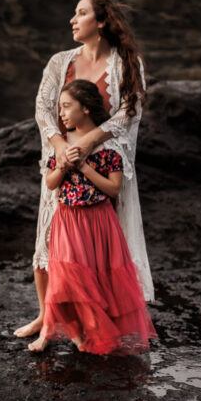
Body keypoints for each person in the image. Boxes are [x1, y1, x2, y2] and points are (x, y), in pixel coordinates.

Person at [15, 0, 154, 341]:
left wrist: (90, 142)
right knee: (47, 236)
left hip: (102, 161)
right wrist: (61, 145)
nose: (73, 20)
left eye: (81, 14)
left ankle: (96, 315)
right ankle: (45, 317)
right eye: (74, 14)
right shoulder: (60, 61)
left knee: (102, 243)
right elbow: (43, 108)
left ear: (102, 21)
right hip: (63, 159)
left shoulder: (127, 62)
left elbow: (130, 110)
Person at [27, 79, 156, 354]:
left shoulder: (108, 145)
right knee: (65, 276)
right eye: (60, 107)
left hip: (98, 221)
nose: (60, 113)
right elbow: (50, 183)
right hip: (67, 219)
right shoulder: (61, 143)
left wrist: (85, 167)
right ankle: (56, 330)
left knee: (93, 278)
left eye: (66, 106)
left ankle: (91, 330)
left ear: (85, 108)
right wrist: (62, 165)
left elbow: (113, 188)